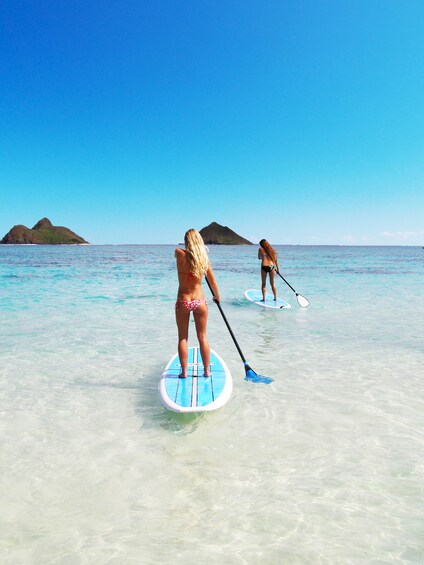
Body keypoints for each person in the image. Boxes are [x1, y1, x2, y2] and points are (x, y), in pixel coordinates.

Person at [175, 229, 220, 378]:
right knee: (202, 337)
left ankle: (184, 372)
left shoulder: (179, 254)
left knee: (183, 338)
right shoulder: (203, 259)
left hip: (183, 300)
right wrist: (216, 296)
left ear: (187, 241)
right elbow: (213, 281)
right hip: (199, 301)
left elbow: (181, 251)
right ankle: (207, 371)